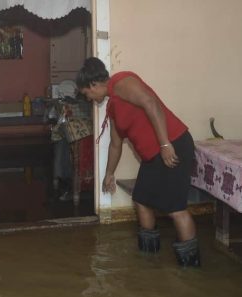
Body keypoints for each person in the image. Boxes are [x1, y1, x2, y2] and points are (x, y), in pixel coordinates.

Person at [76, 57, 200, 267]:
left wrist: (165, 145)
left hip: (173, 144)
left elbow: (150, 103)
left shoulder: (122, 82)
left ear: (94, 84)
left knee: (175, 207)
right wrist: (109, 174)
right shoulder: (113, 106)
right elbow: (116, 144)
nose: (88, 98)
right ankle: (149, 258)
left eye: (86, 93)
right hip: (153, 155)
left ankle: (190, 266)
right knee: (141, 198)